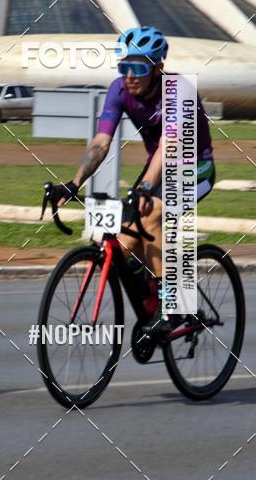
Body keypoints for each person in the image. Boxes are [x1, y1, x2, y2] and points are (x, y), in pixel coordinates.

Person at [50, 25, 215, 338]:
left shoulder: (179, 89)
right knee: (123, 243)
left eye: (137, 67)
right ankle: (151, 291)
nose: (129, 75)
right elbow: (101, 141)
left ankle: (176, 305)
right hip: (158, 168)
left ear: (157, 68)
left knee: (151, 213)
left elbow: (170, 143)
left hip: (194, 167)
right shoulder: (119, 90)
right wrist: (74, 184)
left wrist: (145, 187)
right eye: (123, 66)